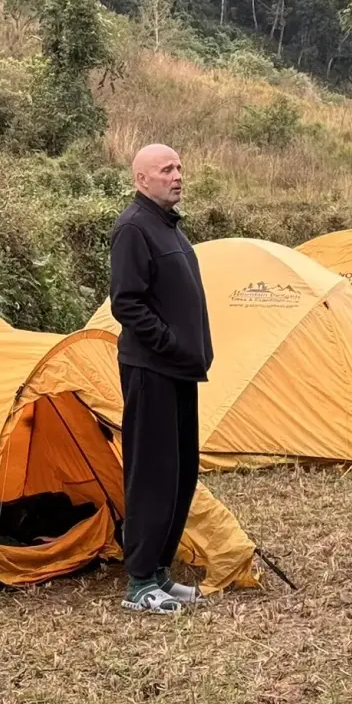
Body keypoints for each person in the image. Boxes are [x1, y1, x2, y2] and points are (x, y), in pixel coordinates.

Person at [109, 143, 214, 613]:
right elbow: (126, 303)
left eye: (179, 167)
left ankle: (158, 572)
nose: (177, 175)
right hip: (151, 368)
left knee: (180, 472)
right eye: (166, 169)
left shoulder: (168, 226)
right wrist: (170, 342)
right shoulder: (133, 227)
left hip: (180, 370)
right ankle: (138, 583)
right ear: (141, 179)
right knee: (151, 473)